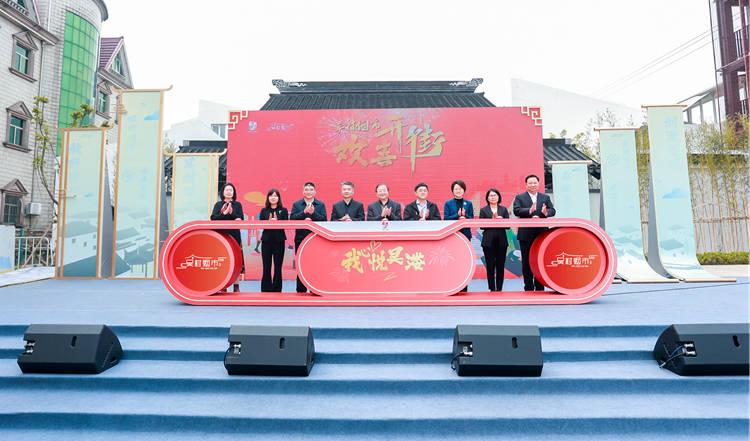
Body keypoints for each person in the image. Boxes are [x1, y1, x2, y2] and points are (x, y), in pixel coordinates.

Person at [512, 174, 556, 291]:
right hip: (525, 234)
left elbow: (552, 210)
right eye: (530, 183)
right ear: (526, 185)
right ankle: (528, 288)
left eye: (535, 183)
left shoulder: (545, 197)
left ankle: (540, 287)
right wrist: (529, 210)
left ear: (538, 184)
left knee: (539, 261)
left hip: (541, 234)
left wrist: (546, 212)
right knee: (526, 262)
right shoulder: (520, 197)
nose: (533, 185)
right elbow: (516, 210)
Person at [290, 182, 327, 293]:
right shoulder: (297, 204)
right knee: (301, 264)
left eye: (311, 189)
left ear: (315, 192)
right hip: (300, 238)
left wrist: (314, 213)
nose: (309, 192)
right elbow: (292, 219)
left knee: (314, 265)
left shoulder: (320, 205)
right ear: (303, 192)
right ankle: (300, 290)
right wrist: (304, 212)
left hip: (316, 239)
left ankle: (314, 289)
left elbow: (324, 220)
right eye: (306, 189)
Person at [210, 182, 244, 292]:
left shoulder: (237, 205)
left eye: (231, 190)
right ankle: (223, 285)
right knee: (223, 260)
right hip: (221, 235)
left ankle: (236, 285)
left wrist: (232, 213)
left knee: (236, 260)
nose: (229, 192)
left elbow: (240, 218)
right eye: (227, 190)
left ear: (234, 193)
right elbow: (213, 218)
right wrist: (224, 213)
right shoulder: (218, 205)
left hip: (234, 235)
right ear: (223, 192)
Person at [479, 188, 510, 291]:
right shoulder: (483, 210)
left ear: (498, 197)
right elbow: (481, 226)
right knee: (490, 266)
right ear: (487, 198)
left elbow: (508, 226)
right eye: (491, 195)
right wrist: (492, 220)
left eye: (495, 195)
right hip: (488, 242)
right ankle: (492, 289)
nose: (493, 197)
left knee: (500, 266)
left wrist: (501, 221)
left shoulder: (503, 209)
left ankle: (499, 288)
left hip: (501, 242)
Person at [259, 189, 288, 292]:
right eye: (271, 196)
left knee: (278, 266)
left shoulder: (284, 210)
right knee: (266, 266)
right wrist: (268, 222)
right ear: (268, 198)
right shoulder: (264, 211)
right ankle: (266, 288)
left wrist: (277, 222)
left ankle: (276, 288)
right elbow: (261, 224)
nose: (273, 198)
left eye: (275, 196)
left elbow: (286, 224)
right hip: (266, 241)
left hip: (279, 241)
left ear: (278, 198)